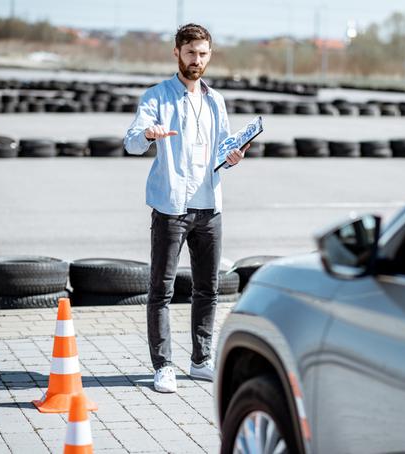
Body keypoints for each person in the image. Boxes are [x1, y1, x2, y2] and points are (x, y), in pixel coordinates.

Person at [124, 23, 247, 393]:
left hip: (210, 206)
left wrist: (233, 156)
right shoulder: (156, 97)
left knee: (207, 288)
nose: (198, 60)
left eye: (204, 54)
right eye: (191, 53)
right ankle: (163, 366)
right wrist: (148, 135)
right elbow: (130, 142)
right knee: (161, 289)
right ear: (177, 52)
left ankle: (200, 360)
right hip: (171, 207)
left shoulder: (216, 100)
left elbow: (222, 149)